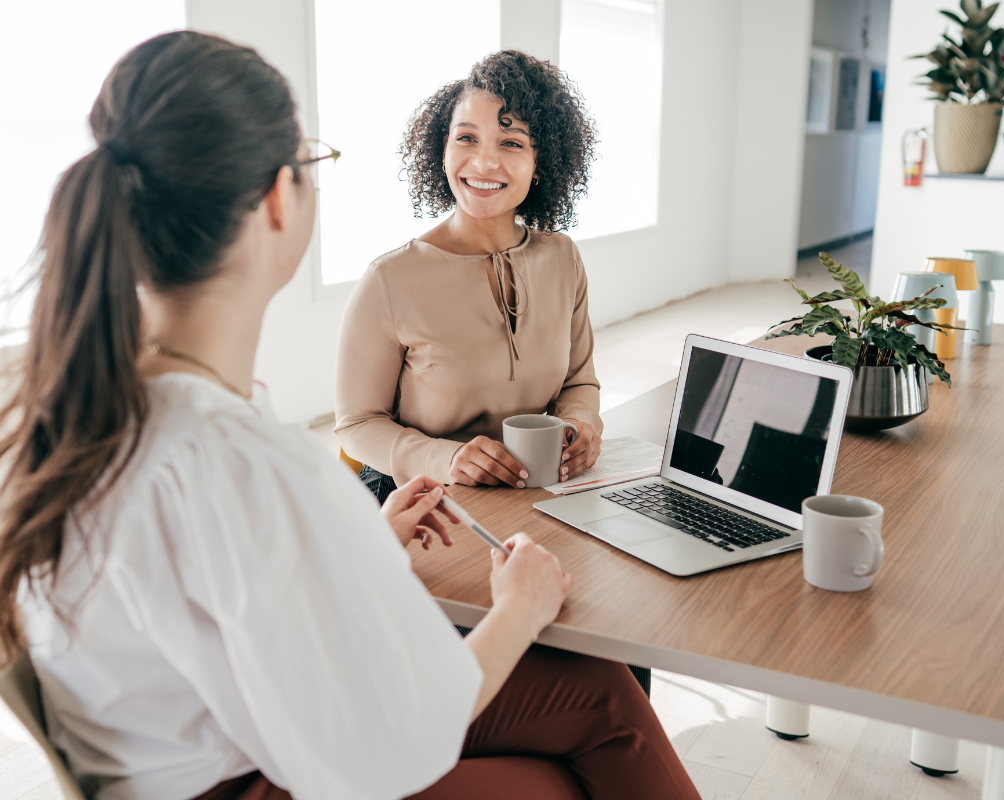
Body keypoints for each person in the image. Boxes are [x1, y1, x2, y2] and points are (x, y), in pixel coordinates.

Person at [0, 32, 700, 800]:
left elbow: (219, 590)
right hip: (260, 776)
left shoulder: (66, 405)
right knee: (581, 750)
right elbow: (392, 747)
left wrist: (359, 541)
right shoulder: (251, 459)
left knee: (600, 696)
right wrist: (521, 608)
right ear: (277, 197)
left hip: (203, 748)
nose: (485, 159)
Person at [335, 51, 604, 504]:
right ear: (442, 152)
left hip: (527, 491)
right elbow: (357, 426)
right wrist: (446, 458)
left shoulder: (562, 258)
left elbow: (579, 381)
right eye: (466, 138)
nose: (483, 163)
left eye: (511, 143)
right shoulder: (389, 279)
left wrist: (581, 426)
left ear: (542, 162)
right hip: (415, 498)